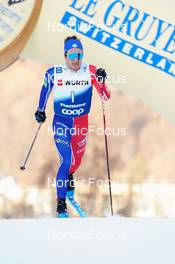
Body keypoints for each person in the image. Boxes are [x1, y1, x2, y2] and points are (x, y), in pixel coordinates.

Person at [35, 35, 111, 218]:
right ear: (65, 55)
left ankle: (69, 176)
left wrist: (101, 80)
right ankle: (61, 204)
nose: (76, 59)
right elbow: (45, 91)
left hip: (81, 124)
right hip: (61, 122)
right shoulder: (54, 73)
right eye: (72, 55)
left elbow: (106, 97)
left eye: (79, 55)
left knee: (75, 163)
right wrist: (40, 110)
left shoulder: (91, 71)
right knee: (66, 160)